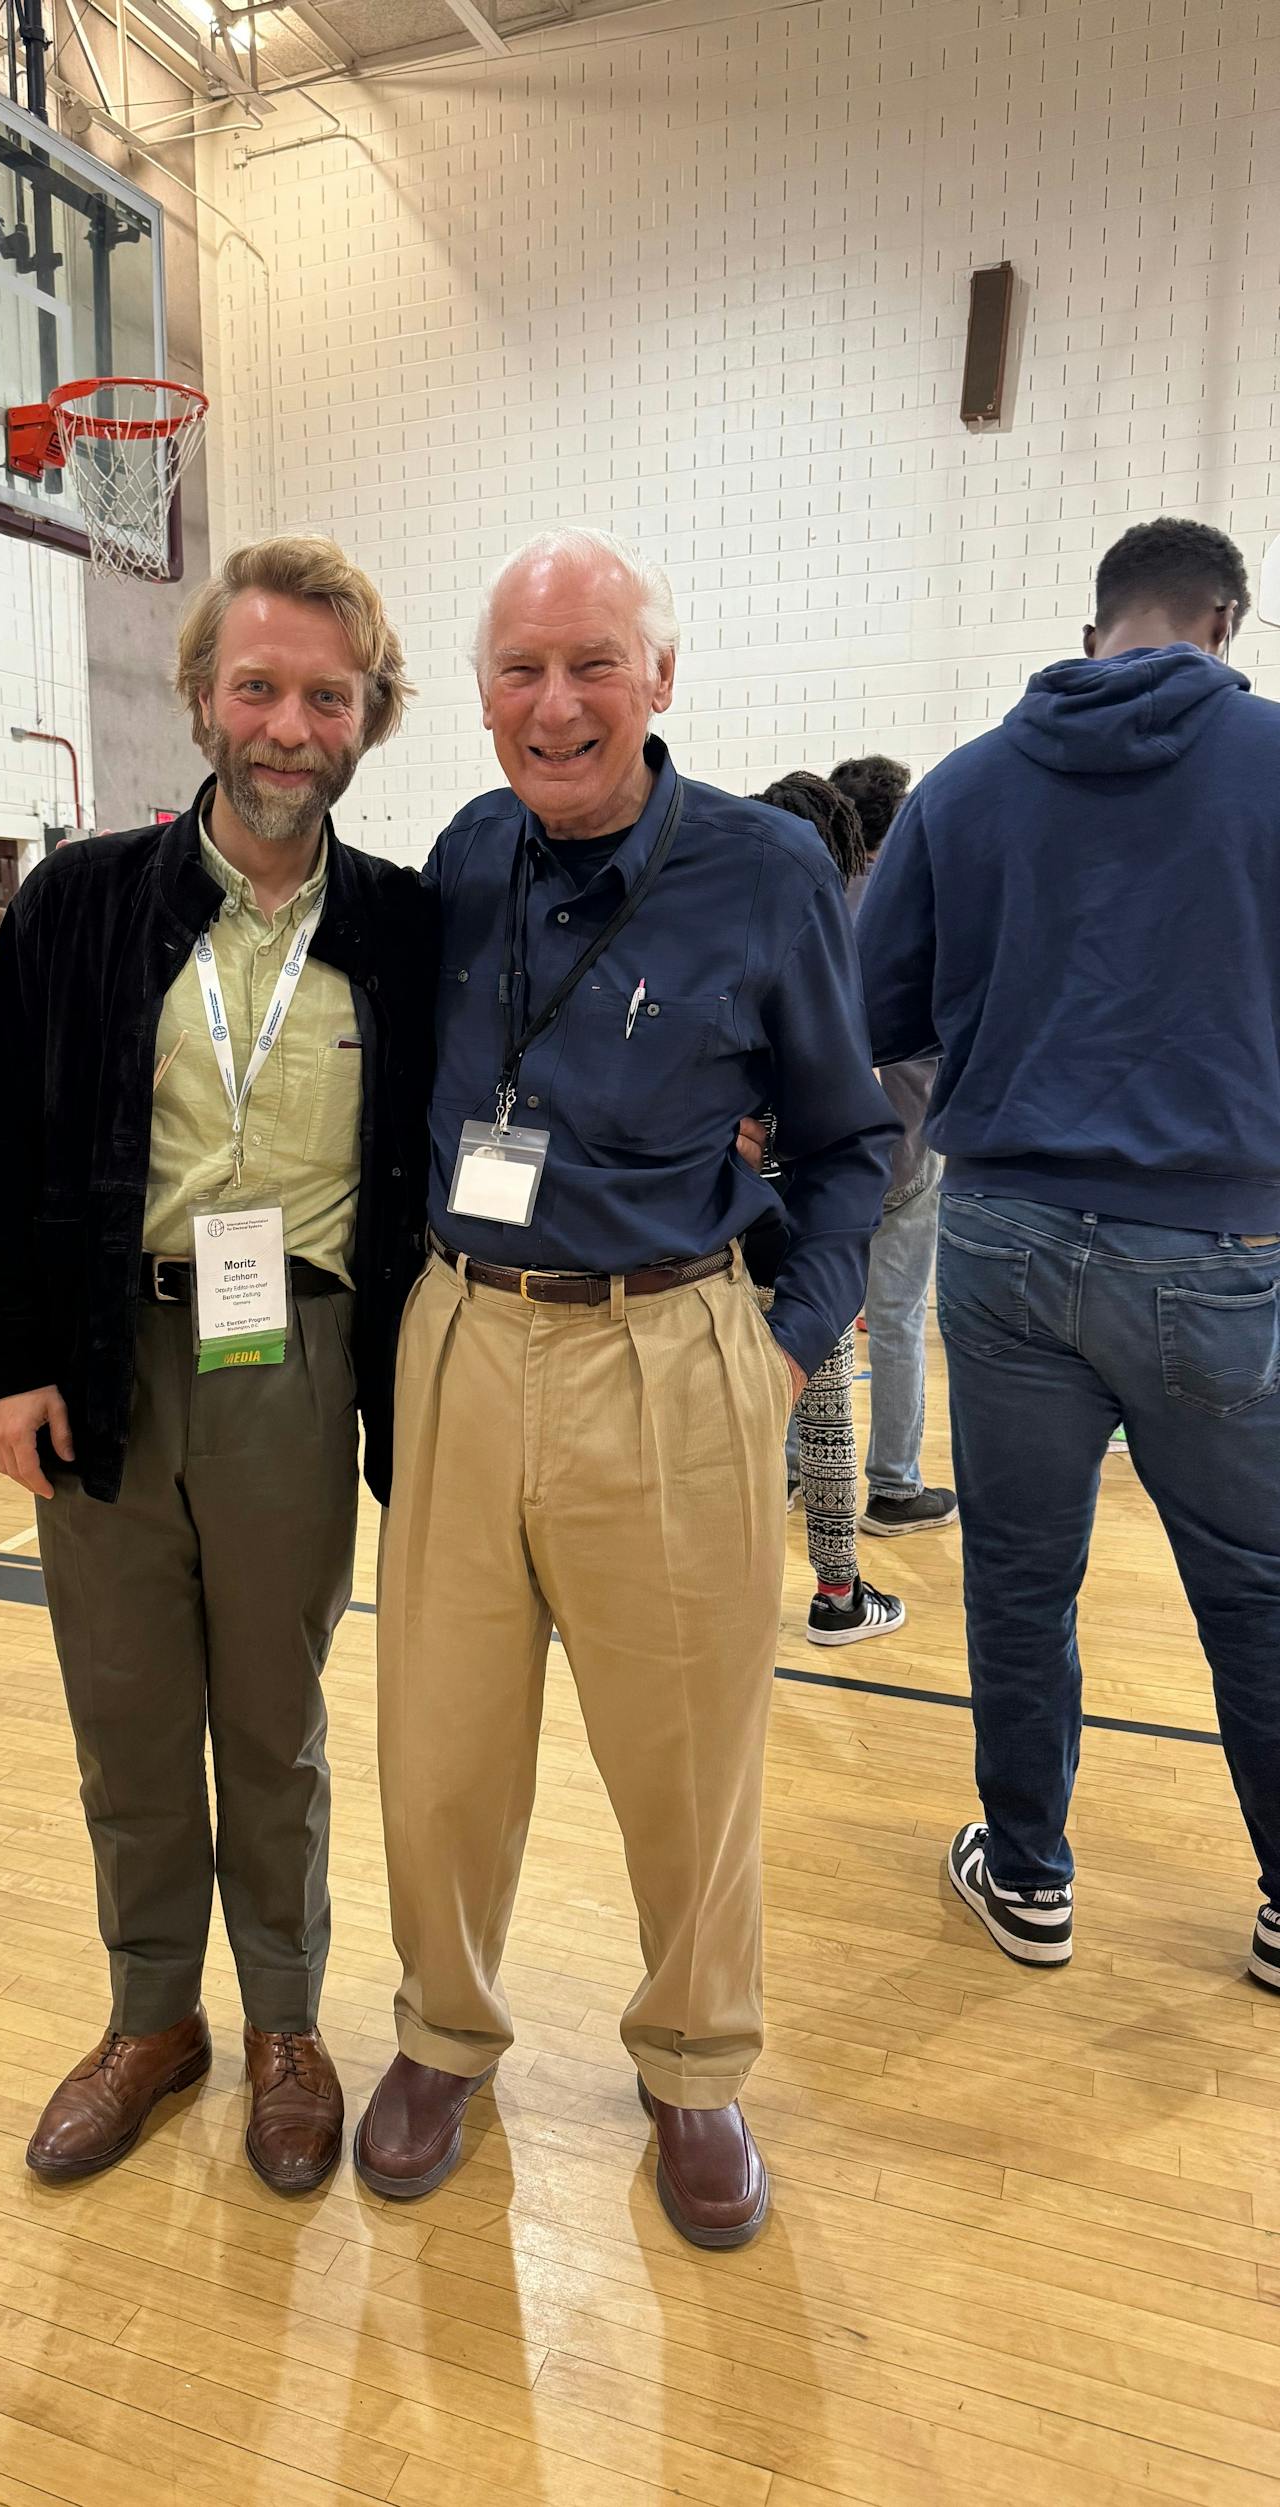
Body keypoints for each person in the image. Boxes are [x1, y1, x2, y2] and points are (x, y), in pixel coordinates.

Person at [354, 530, 895, 2245]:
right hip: (463, 1331)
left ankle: (694, 2060)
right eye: (521, 669)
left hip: (672, 1347)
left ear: (659, 678)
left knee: (686, 1759)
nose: (557, 701)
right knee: (437, 1747)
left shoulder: (766, 867)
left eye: (594, 663)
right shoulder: (461, 852)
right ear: (484, 695)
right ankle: (444, 2029)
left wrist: (782, 1345)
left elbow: (849, 1140)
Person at [0, 535, 435, 2194]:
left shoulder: (406, 930)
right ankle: (155, 2015)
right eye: (258, 688)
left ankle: (287, 2017)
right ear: (203, 698)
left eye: (325, 695)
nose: (289, 725)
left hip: (293, 1360)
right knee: (128, 1715)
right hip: (99, 1356)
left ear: (368, 714)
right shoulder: (83, 903)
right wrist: (8, 1353)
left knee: (274, 1720)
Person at [857, 516, 1280, 1995]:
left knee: (1021, 1579)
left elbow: (875, 1007)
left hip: (1006, 1228)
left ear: (1092, 618)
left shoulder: (965, 786)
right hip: (1218, 1239)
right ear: (1227, 617)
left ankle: (1029, 1872)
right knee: (1254, 1585)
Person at [751, 774, 905, 1646]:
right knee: (825, 1408)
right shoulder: (835, 948)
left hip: (727, 1227)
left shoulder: (713, 930)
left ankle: (721, 1588)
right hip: (806, 1222)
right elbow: (858, 1107)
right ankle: (838, 1595)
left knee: (727, 1412)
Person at [830, 754, 957, 1538]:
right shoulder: (916, 895)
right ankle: (892, 1485)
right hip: (906, 1141)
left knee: (809, 1314)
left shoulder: (809, 894)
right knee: (901, 1319)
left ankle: (792, 1464)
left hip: (824, 1149)